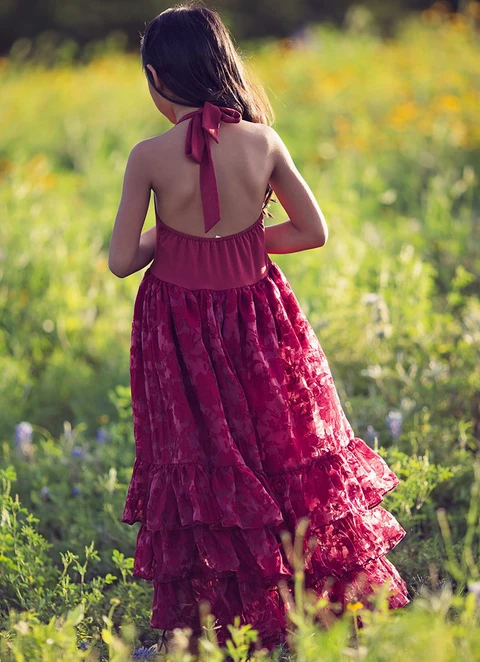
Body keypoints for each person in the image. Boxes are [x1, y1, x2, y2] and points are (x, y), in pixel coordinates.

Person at [108, 2, 409, 656]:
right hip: (259, 312)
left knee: (211, 458)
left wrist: (180, 239)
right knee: (281, 445)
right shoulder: (264, 141)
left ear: (157, 77)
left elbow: (123, 260)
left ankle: (232, 618)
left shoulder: (148, 157)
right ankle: (315, 606)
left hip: (179, 326)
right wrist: (239, 244)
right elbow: (312, 230)